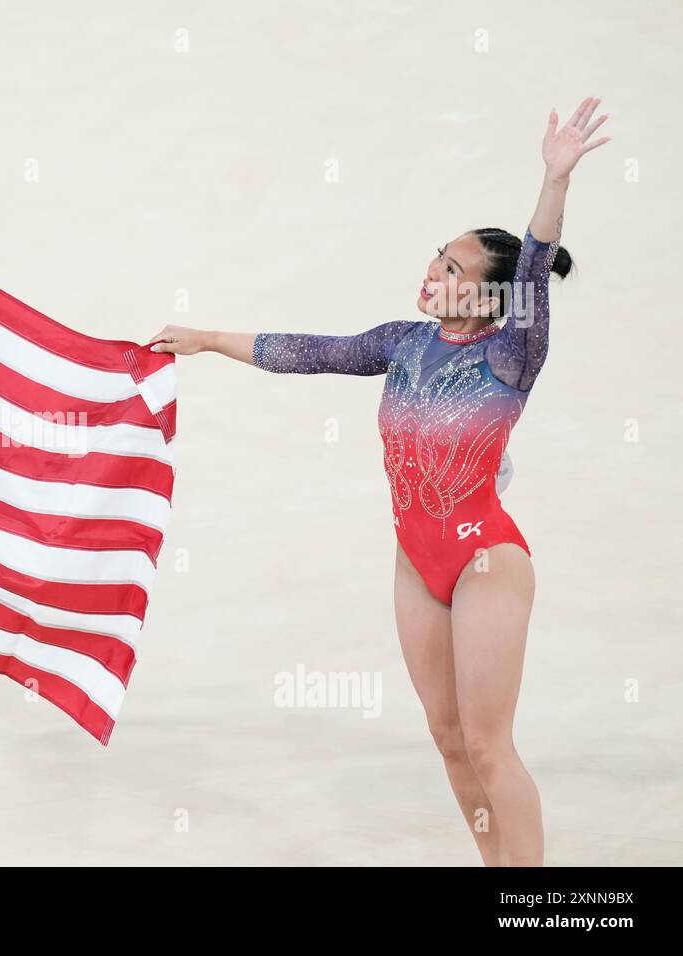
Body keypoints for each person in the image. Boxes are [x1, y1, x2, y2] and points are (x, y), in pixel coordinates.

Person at [150, 97, 610, 865]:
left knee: (491, 747)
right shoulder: (403, 343)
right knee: (449, 738)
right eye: (440, 253)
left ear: (491, 297)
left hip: (484, 561)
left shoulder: (510, 357)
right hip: (415, 558)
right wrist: (205, 339)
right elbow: (309, 350)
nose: (434, 270)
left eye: (454, 268)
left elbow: (533, 263)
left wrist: (554, 179)